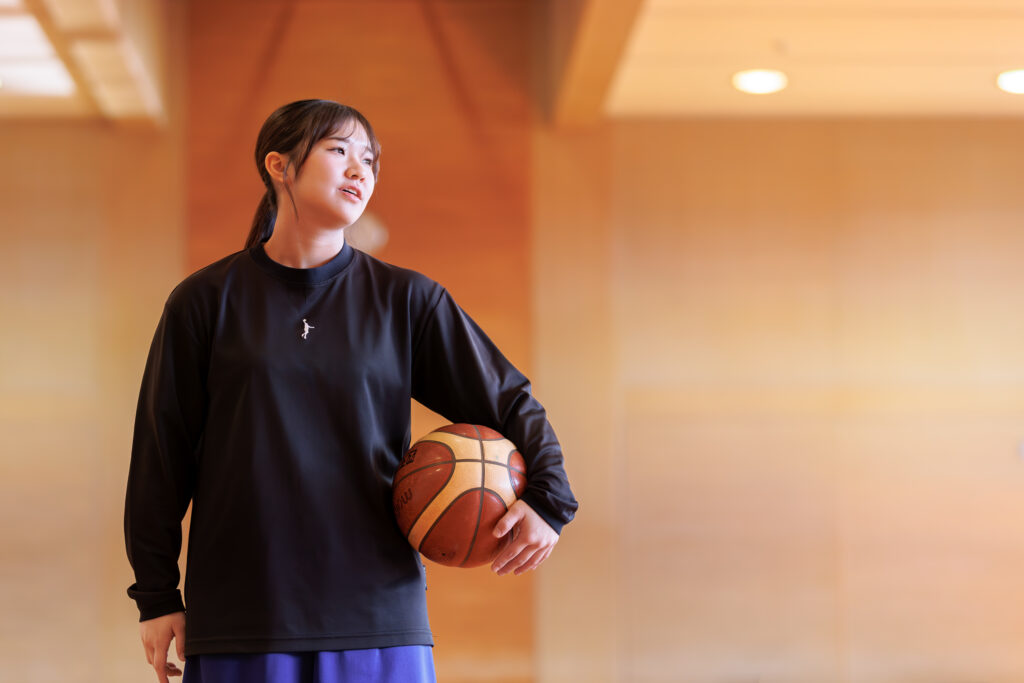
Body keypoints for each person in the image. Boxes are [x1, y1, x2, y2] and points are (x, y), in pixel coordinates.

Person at [124, 99, 578, 683]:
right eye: (339, 150)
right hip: (244, 614)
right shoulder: (204, 301)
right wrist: (157, 595)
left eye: (369, 159)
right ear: (278, 166)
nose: (360, 169)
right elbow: (160, 457)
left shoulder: (407, 300)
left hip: (378, 615)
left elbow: (510, 400)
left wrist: (550, 500)